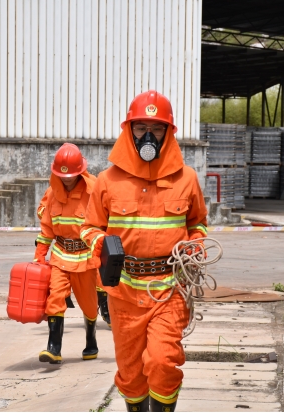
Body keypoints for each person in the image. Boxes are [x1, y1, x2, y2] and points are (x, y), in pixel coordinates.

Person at [82, 91, 209, 411]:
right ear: (129, 130)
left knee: (162, 362)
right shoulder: (107, 181)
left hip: (170, 290)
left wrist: (195, 247)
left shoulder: (187, 179)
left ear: (169, 133)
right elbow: (89, 227)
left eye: (157, 128)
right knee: (131, 373)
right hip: (124, 294)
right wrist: (102, 246)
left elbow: (198, 224)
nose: (148, 136)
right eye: (141, 128)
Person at [34, 143, 101, 363]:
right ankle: (54, 348)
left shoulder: (93, 193)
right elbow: (46, 229)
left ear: (80, 171)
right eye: (63, 176)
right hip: (60, 255)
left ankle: (91, 340)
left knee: (89, 305)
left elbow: (103, 225)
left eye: (71, 175)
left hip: (85, 258)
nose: (67, 179)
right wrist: (39, 256)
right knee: (55, 298)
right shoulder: (52, 194)